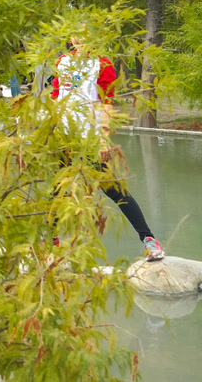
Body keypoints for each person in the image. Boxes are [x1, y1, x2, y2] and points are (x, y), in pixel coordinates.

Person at [51, 36, 164, 261]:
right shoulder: (63, 61)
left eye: (86, 32)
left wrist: (103, 140)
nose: (81, 38)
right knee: (59, 188)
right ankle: (49, 238)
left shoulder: (102, 65)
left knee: (113, 189)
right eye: (76, 33)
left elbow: (106, 105)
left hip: (88, 139)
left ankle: (149, 240)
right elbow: (56, 98)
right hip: (63, 137)